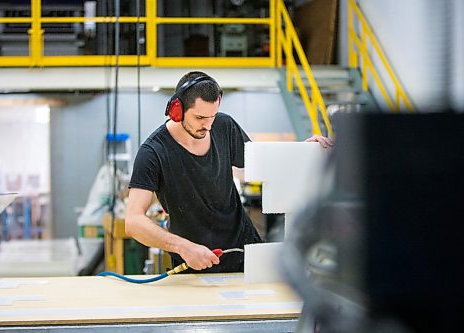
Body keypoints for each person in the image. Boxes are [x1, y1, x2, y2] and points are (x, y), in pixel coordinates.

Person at [125, 71, 333, 273]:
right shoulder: (153, 153)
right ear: (177, 110)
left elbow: (261, 165)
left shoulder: (224, 126)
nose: (207, 125)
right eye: (199, 118)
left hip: (244, 253)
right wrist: (183, 247)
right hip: (195, 262)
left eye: (212, 116)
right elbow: (133, 221)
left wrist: (302, 151)